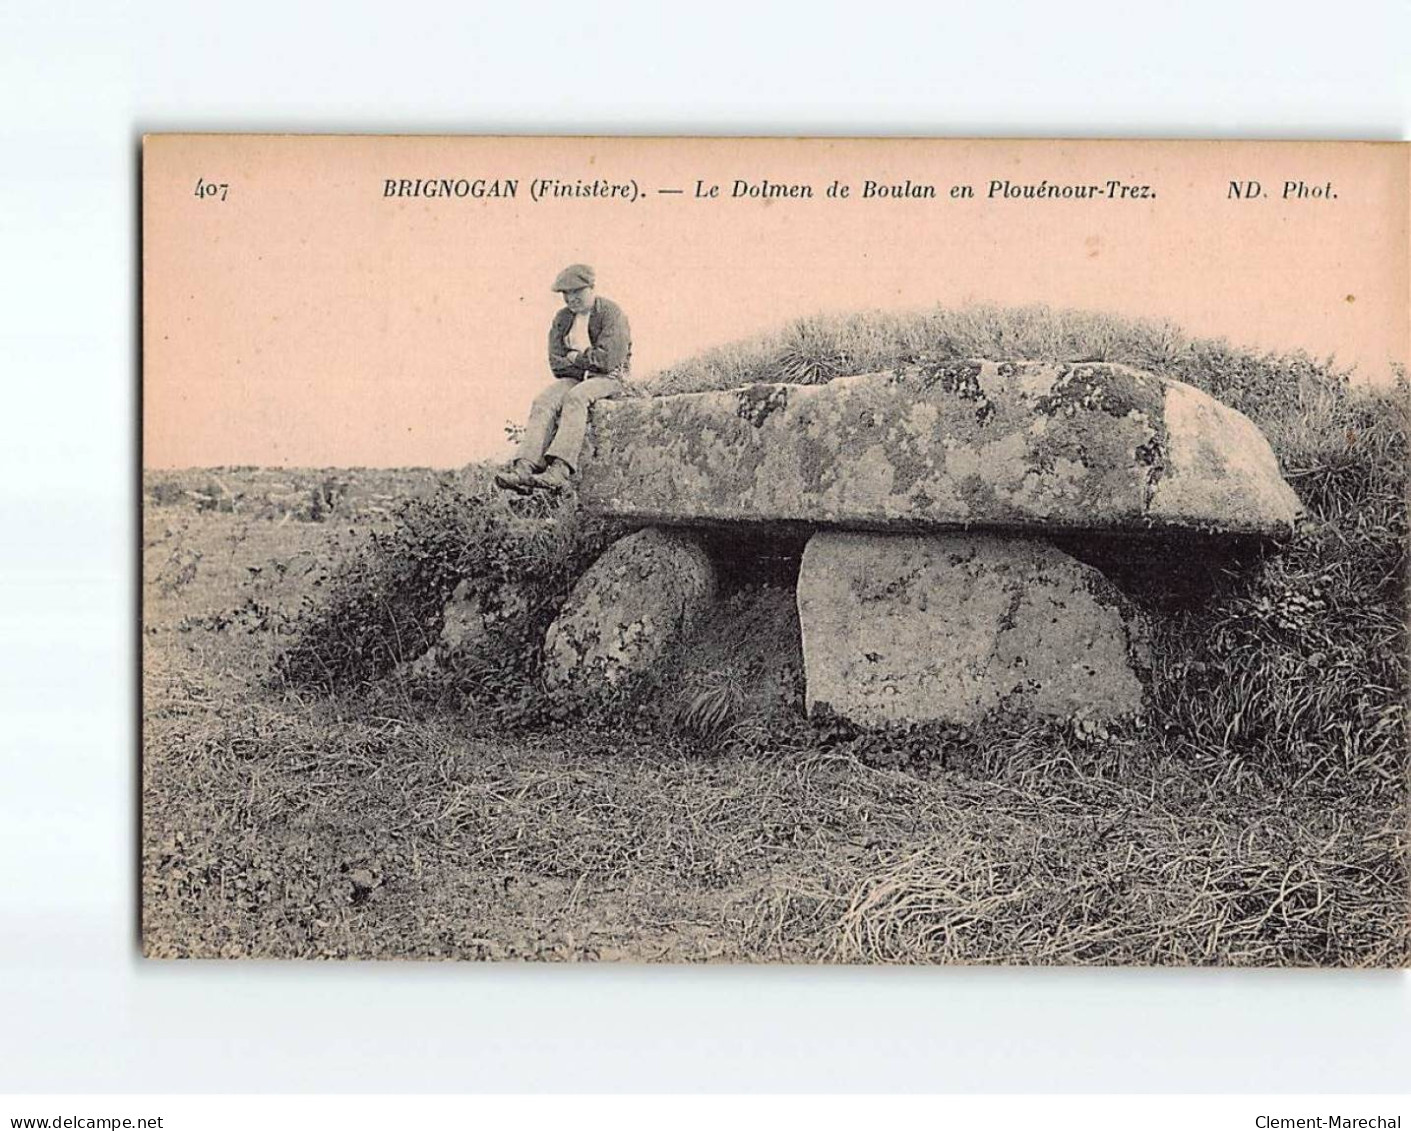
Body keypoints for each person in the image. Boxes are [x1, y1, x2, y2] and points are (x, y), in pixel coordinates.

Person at [495, 263, 631, 493]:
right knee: (543, 400)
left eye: (577, 291)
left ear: (591, 287)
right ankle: (524, 468)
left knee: (576, 398)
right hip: (578, 376)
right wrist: (580, 361)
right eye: (566, 294)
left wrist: (576, 357)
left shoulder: (611, 313)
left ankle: (559, 469)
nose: (571, 298)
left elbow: (608, 361)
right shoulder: (562, 319)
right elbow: (556, 363)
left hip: (609, 378)